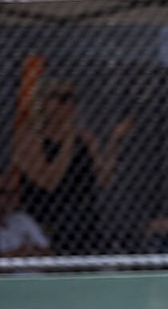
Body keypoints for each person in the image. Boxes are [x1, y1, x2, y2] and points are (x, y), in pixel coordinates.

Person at [11, 77, 133, 254]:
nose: (69, 105)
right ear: (43, 101)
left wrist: (114, 141)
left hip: (83, 216)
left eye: (73, 100)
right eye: (62, 99)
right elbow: (49, 181)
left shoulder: (84, 137)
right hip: (46, 217)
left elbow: (103, 179)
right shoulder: (29, 136)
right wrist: (68, 138)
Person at [0, 171, 52, 258]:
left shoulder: (21, 218)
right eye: (2, 192)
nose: (9, 197)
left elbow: (49, 253)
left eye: (14, 192)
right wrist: (24, 251)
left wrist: (13, 254)